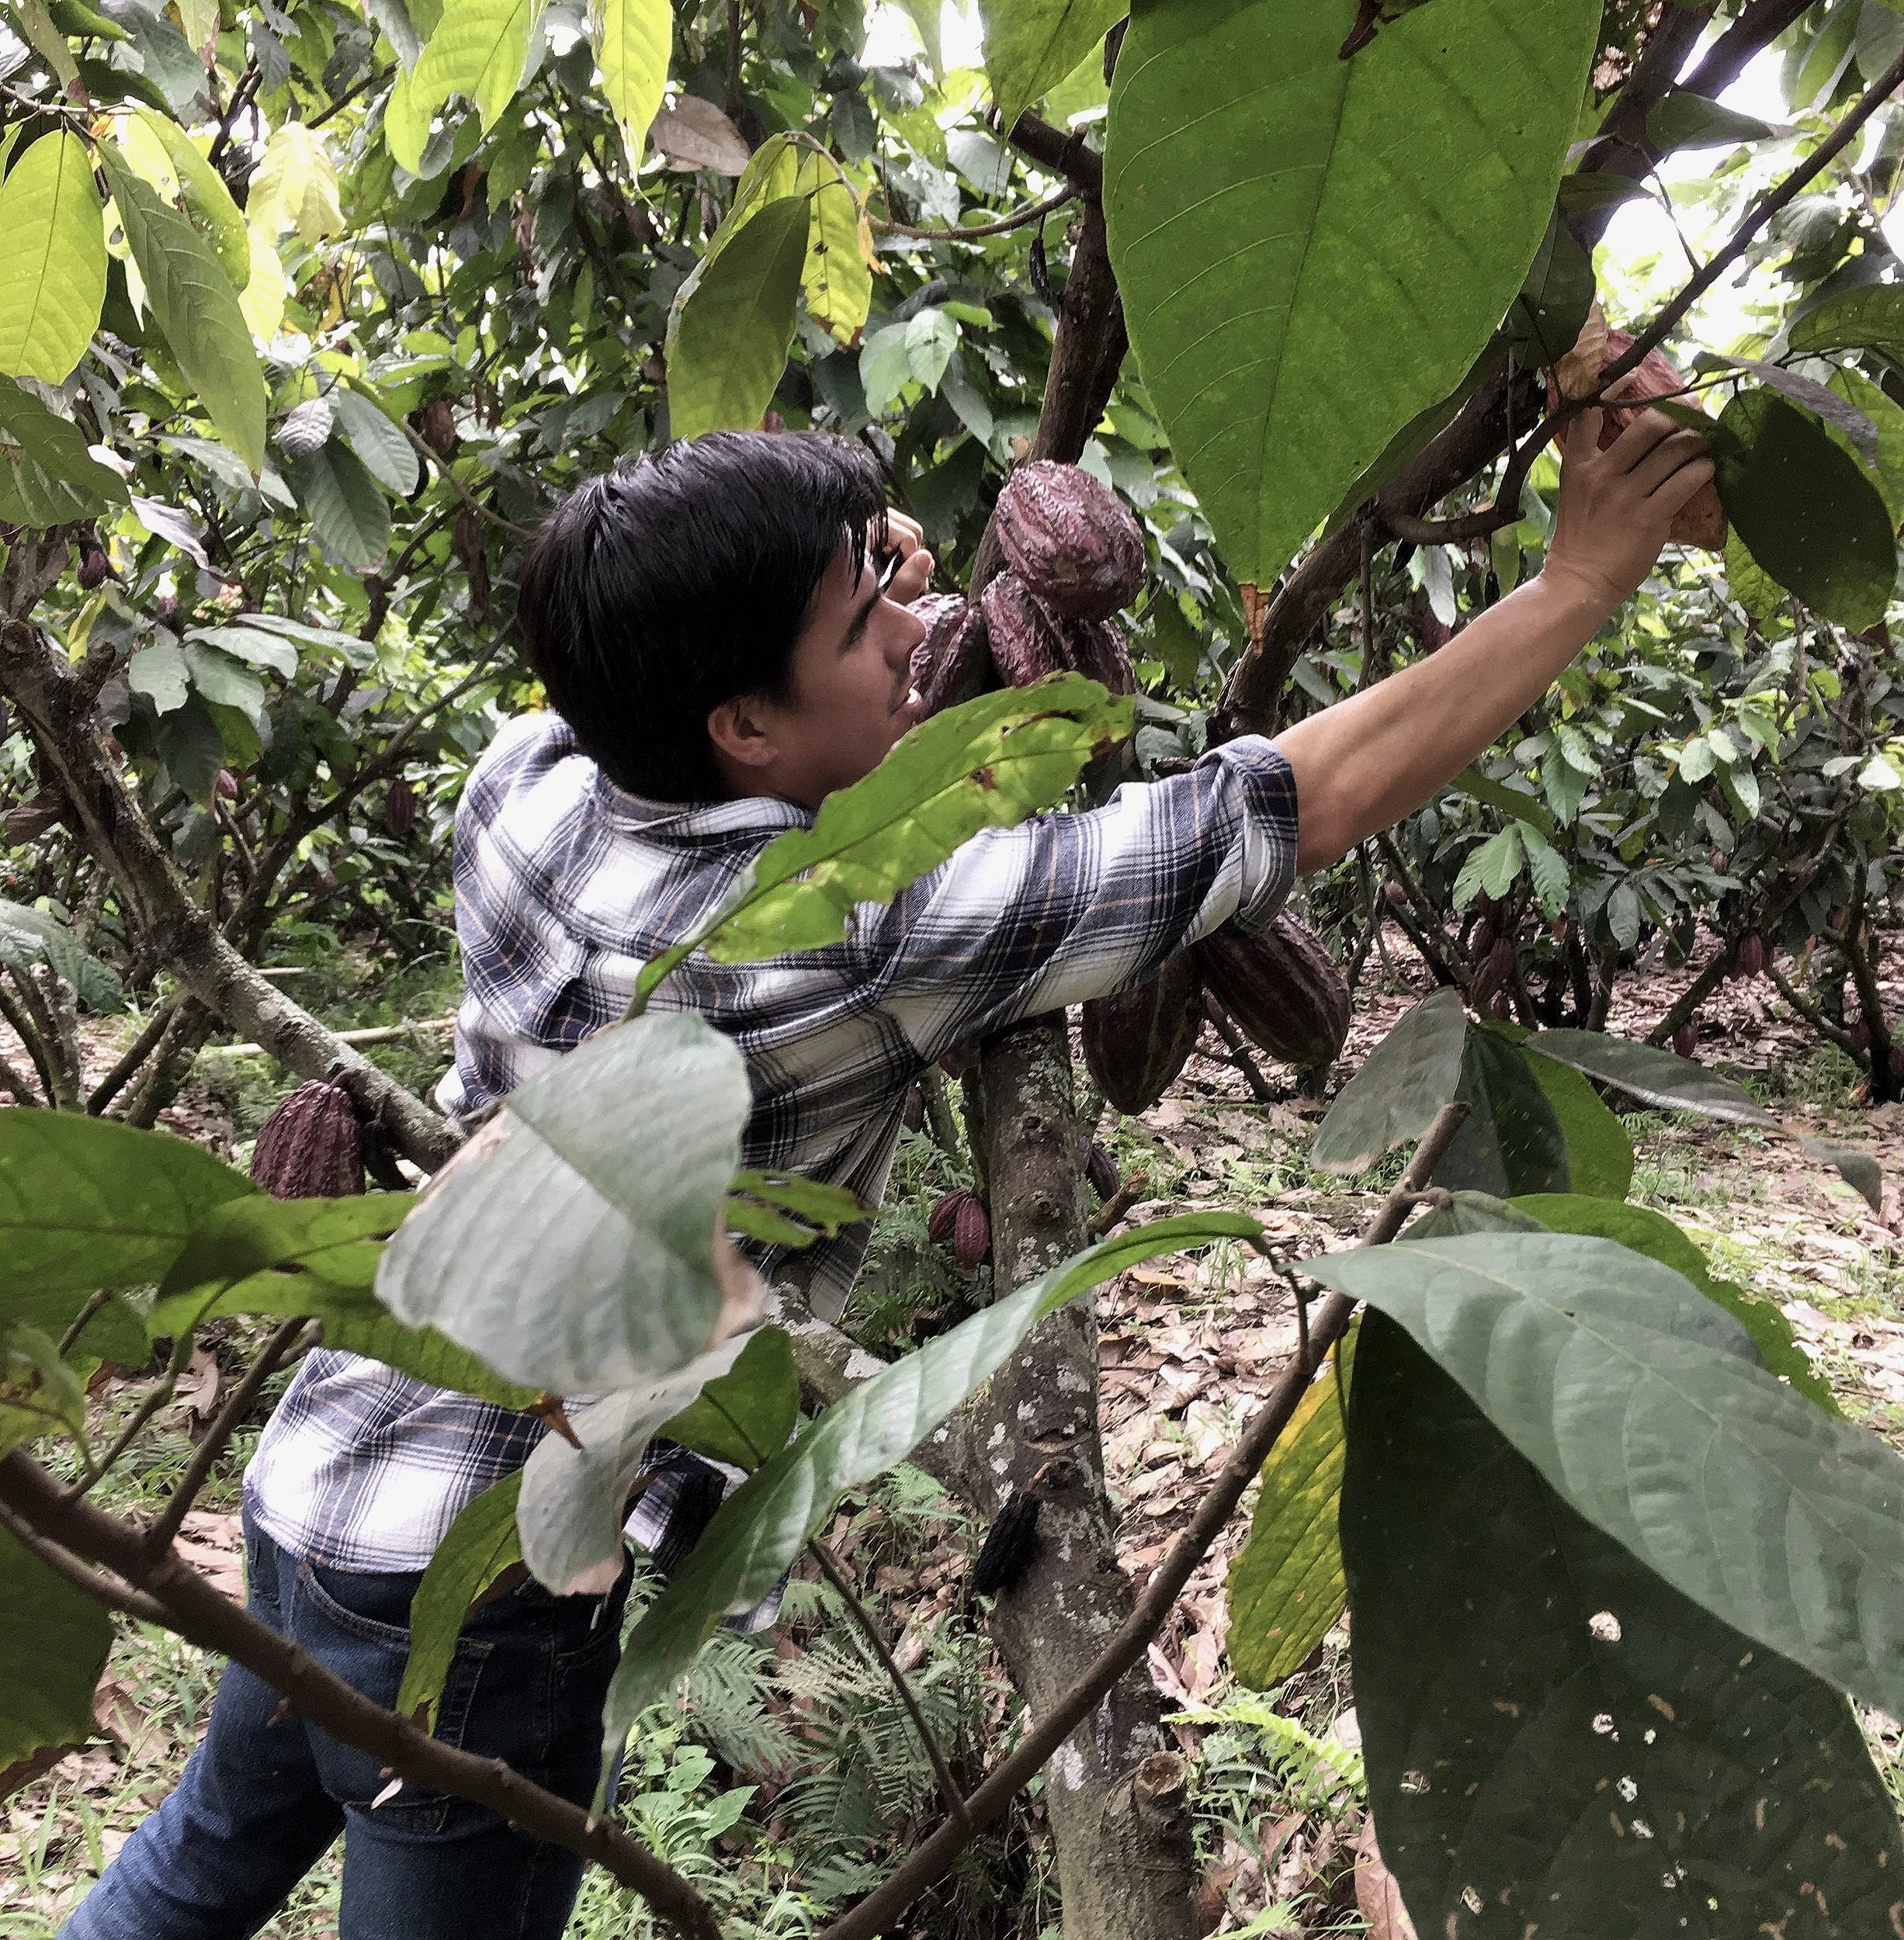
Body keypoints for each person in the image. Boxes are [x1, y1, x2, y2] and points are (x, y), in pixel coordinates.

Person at [61, 408, 1712, 1940]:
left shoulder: (533, 776)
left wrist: (862, 612)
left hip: (325, 1474)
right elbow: (1278, 803)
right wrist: (1576, 578)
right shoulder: (851, 938)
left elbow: (699, 687)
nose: (916, 628)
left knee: (193, 1864)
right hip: (488, 1595)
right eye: (867, 624)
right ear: (744, 725)